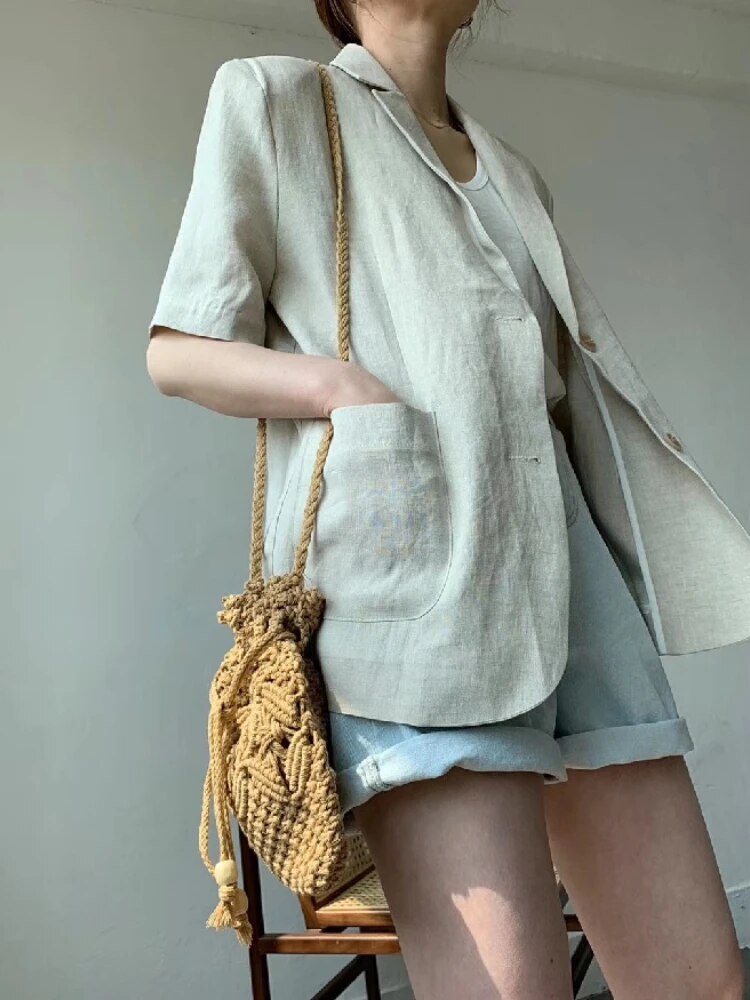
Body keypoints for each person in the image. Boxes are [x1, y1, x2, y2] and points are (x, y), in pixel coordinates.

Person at [146, 2, 749, 996]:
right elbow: (180, 350)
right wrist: (343, 389)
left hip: (574, 589)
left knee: (701, 980)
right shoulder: (279, 99)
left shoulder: (513, 171)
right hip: (417, 592)